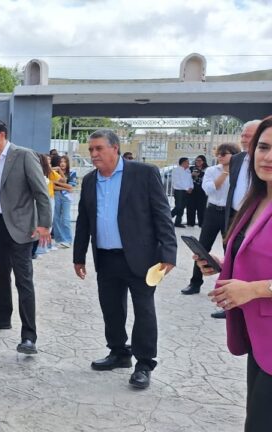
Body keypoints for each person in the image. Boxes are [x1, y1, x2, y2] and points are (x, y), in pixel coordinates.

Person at [73, 129, 177, 390]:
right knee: (111, 308)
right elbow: (84, 221)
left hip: (141, 258)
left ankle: (144, 363)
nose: (94, 154)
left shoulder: (143, 173)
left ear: (115, 148)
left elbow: (162, 215)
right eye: (91, 150)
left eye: (99, 149)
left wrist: (168, 253)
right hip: (106, 258)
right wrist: (79, 256)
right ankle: (119, 352)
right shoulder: (89, 181)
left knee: (144, 311)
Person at [194, 116, 272, 431]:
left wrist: (254, 290)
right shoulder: (257, 200)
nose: (268, 157)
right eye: (264, 147)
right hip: (260, 337)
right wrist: (221, 263)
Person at [0, 119, 51, 356]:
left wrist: (44, 224)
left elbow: (41, 193)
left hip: (22, 229)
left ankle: (28, 336)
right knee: (0, 275)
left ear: (1, 135)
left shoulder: (24, 156)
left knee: (23, 281)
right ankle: (3, 317)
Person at [213, 119, 261, 319]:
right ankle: (230, 305)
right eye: (242, 135)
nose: (243, 139)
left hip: (257, 217)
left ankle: (248, 298)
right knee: (231, 258)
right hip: (235, 216)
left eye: (248, 136)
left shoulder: (263, 162)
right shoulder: (237, 159)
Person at [181, 143, 240, 295]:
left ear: (234, 155)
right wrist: (225, 173)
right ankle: (195, 283)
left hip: (232, 213)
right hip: (213, 211)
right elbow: (209, 189)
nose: (219, 156)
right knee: (202, 247)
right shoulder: (212, 170)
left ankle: (228, 287)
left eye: (224, 154)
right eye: (218, 154)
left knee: (230, 250)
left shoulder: (240, 172)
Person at [53, 155, 77, 248]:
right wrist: (64, 185)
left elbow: (71, 186)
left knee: (65, 218)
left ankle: (67, 240)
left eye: (64, 162)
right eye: (61, 161)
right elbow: (53, 186)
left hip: (66, 197)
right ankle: (59, 239)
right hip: (56, 195)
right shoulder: (54, 172)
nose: (62, 163)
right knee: (56, 218)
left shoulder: (72, 172)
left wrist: (59, 184)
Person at [186, 154, 208, 227]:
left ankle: (201, 224)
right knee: (190, 207)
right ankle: (190, 223)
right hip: (192, 191)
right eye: (196, 160)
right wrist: (191, 175)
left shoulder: (207, 169)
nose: (197, 162)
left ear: (203, 161)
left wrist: (200, 174)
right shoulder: (191, 168)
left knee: (201, 208)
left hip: (202, 192)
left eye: (199, 160)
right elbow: (186, 178)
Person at [171, 157, 193, 228]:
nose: (188, 164)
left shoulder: (188, 171)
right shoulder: (176, 170)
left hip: (186, 192)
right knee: (178, 206)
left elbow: (190, 181)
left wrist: (191, 187)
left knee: (182, 207)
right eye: (187, 162)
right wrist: (186, 188)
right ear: (183, 163)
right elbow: (177, 182)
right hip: (179, 191)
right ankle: (166, 217)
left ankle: (178, 222)